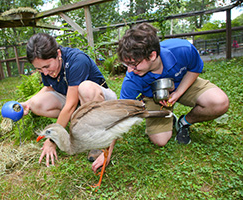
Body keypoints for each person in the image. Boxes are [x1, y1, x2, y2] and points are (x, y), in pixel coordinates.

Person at [92, 22, 229, 173]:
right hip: (153, 96)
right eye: (127, 65)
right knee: (160, 140)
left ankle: (184, 122)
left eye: (134, 64)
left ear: (152, 55)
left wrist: (178, 93)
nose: (130, 70)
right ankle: (169, 118)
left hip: (183, 83)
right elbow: (119, 117)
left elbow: (194, 69)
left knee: (219, 102)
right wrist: (107, 153)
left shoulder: (182, 49)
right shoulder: (132, 79)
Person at [21, 33, 117, 167]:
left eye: (47, 66)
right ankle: (79, 125)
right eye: (39, 69)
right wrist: (29, 102)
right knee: (37, 104)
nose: (45, 72)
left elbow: (70, 105)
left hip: (100, 101)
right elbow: (48, 88)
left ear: (58, 53)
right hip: (77, 102)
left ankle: (99, 139)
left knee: (85, 88)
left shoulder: (77, 60)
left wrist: (52, 139)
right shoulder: (46, 69)